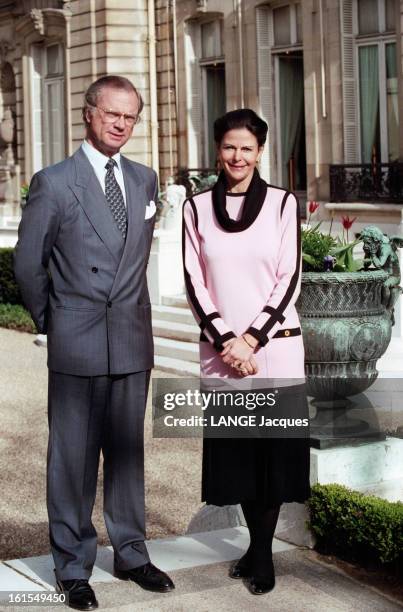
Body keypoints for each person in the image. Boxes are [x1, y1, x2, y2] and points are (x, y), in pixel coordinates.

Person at [14, 75, 174, 611]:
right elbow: (28, 266)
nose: (121, 125)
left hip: (130, 337)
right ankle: (73, 565)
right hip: (78, 339)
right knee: (73, 460)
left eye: (130, 117)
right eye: (112, 114)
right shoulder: (55, 182)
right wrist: (55, 322)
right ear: (88, 114)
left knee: (128, 456)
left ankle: (131, 552)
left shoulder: (145, 180)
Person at [182, 108, 310, 595]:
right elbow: (195, 282)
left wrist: (252, 339)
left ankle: (262, 555)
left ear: (261, 152)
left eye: (247, 147)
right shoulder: (196, 208)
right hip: (222, 355)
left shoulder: (282, 204)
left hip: (273, 352)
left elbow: (289, 278)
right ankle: (256, 550)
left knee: (271, 459)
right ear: (219, 149)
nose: (237, 155)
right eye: (229, 146)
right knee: (237, 460)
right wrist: (226, 341)